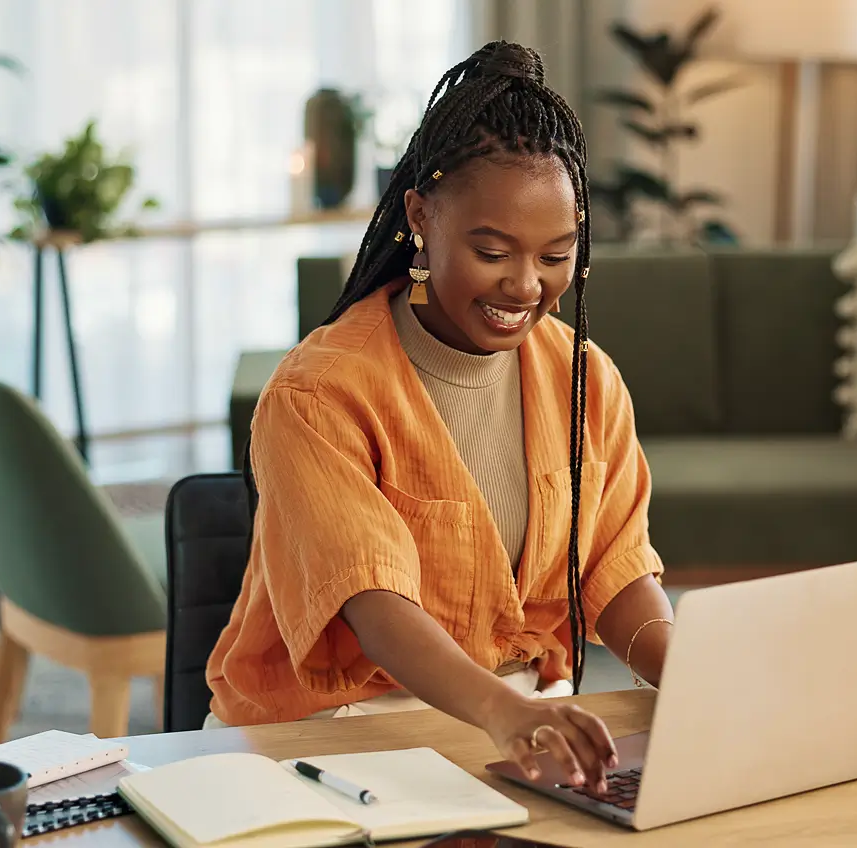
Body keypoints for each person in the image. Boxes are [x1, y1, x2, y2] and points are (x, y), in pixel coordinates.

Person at [204, 41, 673, 794]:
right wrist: (503, 713)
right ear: (421, 215)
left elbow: (611, 571)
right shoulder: (319, 394)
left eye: (556, 255)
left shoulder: (585, 376)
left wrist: (687, 672)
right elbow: (374, 602)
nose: (526, 286)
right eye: (493, 251)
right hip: (334, 735)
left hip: (518, 721)